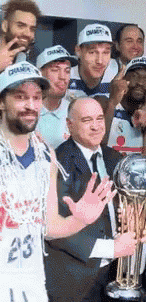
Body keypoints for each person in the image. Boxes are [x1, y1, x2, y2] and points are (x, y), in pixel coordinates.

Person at [0, 61, 116, 302]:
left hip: (32, 282)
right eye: (20, 97)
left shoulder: (45, 154)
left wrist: (80, 219)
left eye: (37, 97)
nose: (31, 106)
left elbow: (50, 228)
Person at [44, 97, 139, 302]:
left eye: (99, 119)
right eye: (87, 120)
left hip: (114, 273)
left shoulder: (113, 157)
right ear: (70, 125)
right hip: (75, 280)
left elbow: (125, 203)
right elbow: (54, 231)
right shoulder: (59, 163)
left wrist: (129, 215)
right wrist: (111, 248)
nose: (96, 127)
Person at [36, 45, 77, 148]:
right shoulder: (27, 110)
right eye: (55, 70)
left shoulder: (74, 111)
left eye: (67, 71)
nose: (63, 77)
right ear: (40, 74)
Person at [105, 56, 146, 154]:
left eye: (145, 79)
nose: (140, 82)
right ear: (123, 79)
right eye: (135, 76)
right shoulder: (103, 103)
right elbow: (96, 145)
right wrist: (112, 102)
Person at [67, 23, 119, 100]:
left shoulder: (117, 73)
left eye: (106, 53)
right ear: (78, 51)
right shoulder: (64, 74)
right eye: (92, 52)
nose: (100, 61)